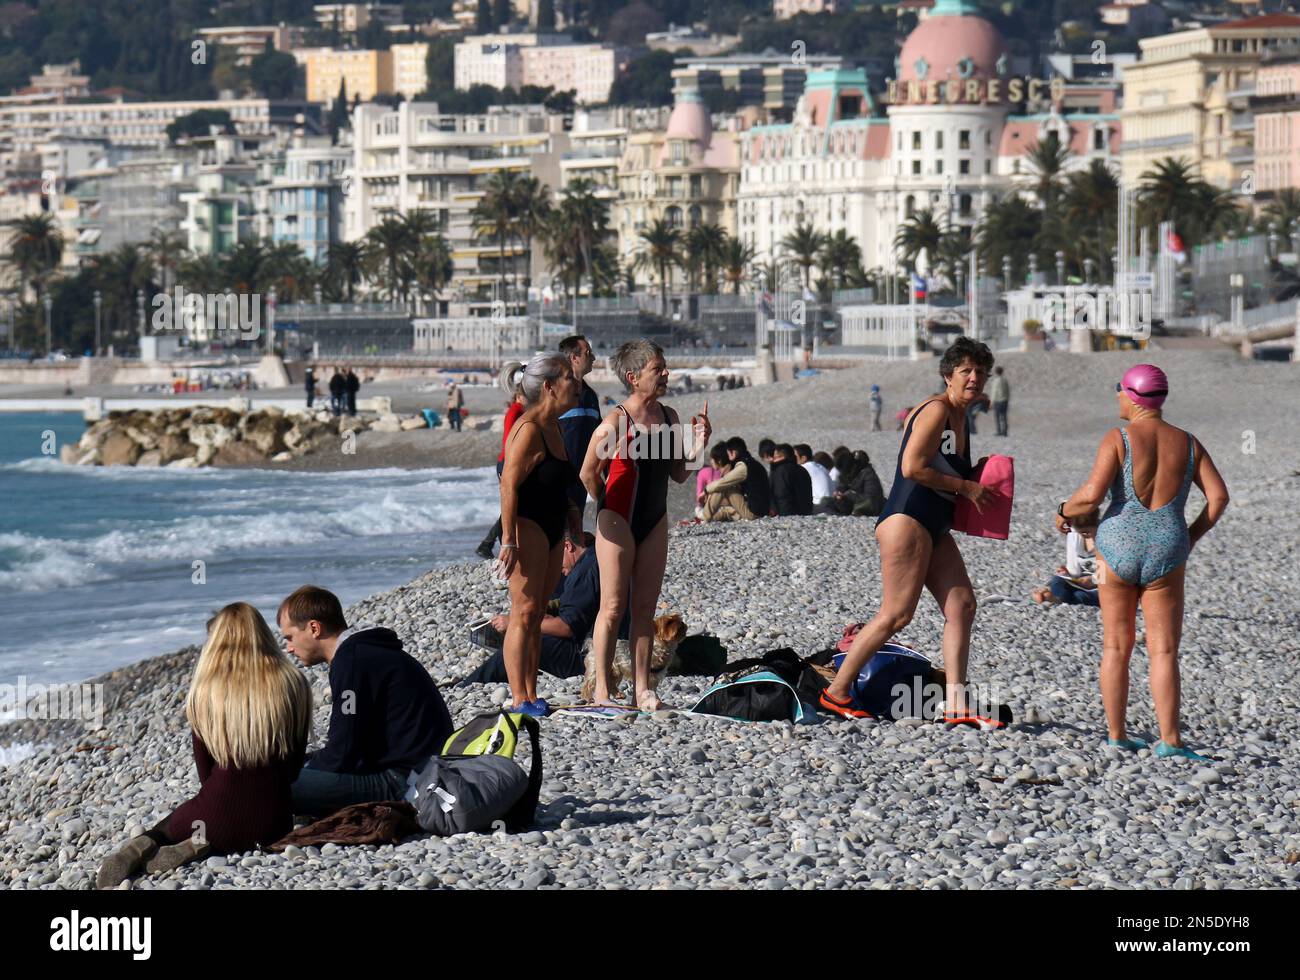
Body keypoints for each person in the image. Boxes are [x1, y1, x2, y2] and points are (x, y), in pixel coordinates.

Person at [820, 337, 1002, 728]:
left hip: (933, 523)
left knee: (962, 605)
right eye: (966, 371)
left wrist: (977, 474)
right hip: (907, 519)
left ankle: (956, 702)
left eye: (981, 372)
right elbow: (911, 467)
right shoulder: (936, 410)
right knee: (897, 614)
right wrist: (968, 487)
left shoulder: (960, 418)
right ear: (948, 375)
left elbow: (944, 469)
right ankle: (836, 692)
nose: (975, 378)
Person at [1058, 364, 1228, 758]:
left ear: (1132, 395)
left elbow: (1091, 496)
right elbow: (1218, 498)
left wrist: (1063, 509)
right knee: (1164, 650)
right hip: (1168, 546)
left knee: (1116, 645)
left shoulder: (1118, 437)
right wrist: (1189, 536)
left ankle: (1116, 734)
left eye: (1120, 390)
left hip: (1115, 546)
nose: (1117, 395)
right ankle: (1171, 741)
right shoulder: (1187, 442)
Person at [96, 603, 312, 887]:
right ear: (261, 634)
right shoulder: (292, 682)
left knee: (171, 824)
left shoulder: (206, 691)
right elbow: (293, 768)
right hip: (272, 824)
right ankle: (199, 845)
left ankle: (145, 845)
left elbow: (205, 772)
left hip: (213, 817)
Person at [580, 340, 711, 709]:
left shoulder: (669, 417)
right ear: (634, 377)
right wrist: (605, 505)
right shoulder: (616, 420)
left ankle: (643, 690)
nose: (666, 373)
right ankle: (603, 691)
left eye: (664, 366)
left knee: (644, 609)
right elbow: (588, 472)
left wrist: (700, 443)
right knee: (612, 606)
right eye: (658, 368)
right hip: (617, 519)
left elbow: (680, 475)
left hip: (654, 519)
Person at [279, 585, 453, 816]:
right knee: (291, 770)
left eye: (290, 637)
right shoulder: (365, 652)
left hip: (404, 782)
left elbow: (344, 750)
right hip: (423, 768)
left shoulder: (351, 662)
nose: (289, 648)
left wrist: (305, 771)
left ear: (314, 628)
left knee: (269, 786)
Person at [497, 353, 583, 716]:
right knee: (524, 611)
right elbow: (507, 485)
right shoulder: (528, 428)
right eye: (568, 377)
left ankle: (532, 693)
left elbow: (560, 484)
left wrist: (573, 517)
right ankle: (518, 698)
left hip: (551, 526)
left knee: (536, 612)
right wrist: (508, 540)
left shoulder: (555, 427)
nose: (575, 382)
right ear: (549, 386)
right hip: (526, 525)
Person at [462, 533, 628, 682]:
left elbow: (565, 628)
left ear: (568, 546)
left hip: (587, 657)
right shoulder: (596, 557)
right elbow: (580, 610)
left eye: (554, 556)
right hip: (610, 647)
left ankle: (470, 684)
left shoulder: (583, 573)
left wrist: (515, 622)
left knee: (520, 643)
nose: (554, 565)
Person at [475, 363, 527, 559]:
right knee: (513, 503)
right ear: (519, 395)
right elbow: (510, 441)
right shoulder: (516, 411)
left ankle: (490, 543)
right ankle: (488, 543)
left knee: (516, 503)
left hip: (509, 461)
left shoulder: (519, 410)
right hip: (507, 462)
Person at [558, 335, 601, 518]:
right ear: (574, 358)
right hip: (557, 481)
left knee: (573, 538)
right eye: (588, 353)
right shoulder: (556, 393)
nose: (593, 358)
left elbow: (599, 437)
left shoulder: (590, 395)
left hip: (581, 480)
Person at [1032, 530, 1100, 607]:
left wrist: (1091, 579)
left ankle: (1056, 594)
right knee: (1072, 573)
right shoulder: (1075, 534)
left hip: (1101, 581)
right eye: (1043, 597)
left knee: (1071, 575)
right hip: (1098, 579)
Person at [699, 449, 757, 522]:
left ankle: (704, 517)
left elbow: (721, 488)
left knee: (721, 488)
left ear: (719, 460)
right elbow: (733, 498)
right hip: (737, 511)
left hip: (749, 512)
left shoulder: (732, 471)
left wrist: (706, 492)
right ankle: (701, 519)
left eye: (712, 459)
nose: (710, 462)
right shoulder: (728, 471)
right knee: (722, 512)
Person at [724, 436, 771, 520]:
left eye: (728, 454)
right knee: (725, 511)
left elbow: (722, 483)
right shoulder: (754, 463)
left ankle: (705, 515)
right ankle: (705, 516)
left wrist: (706, 490)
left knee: (726, 487)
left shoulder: (743, 465)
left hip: (754, 514)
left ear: (733, 453)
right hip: (764, 510)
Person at [834, 449, 886, 517]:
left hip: (871, 505)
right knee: (826, 501)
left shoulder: (867, 473)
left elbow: (872, 499)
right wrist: (839, 493)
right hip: (852, 503)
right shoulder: (846, 474)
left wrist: (849, 495)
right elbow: (843, 486)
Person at [770, 443, 814, 516]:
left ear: (782, 457)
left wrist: (782, 514)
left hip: (788, 513)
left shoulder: (780, 471)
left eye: (775, 457)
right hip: (807, 511)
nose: (773, 460)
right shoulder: (802, 469)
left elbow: (781, 495)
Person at [795, 444, 834, 513]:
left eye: (794, 457)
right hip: (831, 504)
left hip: (819, 505)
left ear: (803, 458)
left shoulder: (803, 468)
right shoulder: (819, 466)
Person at [695, 443, 728, 519]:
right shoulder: (730, 470)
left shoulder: (702, 473)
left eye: (711, 459)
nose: (711, 461)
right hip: (730, 506)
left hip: (716, 507)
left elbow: (699, 497)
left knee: (699, 511)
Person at [989, 366, 1010, 437]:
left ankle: (999, 431)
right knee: (1004, 416)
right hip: (1005, 401)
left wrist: (992, 401)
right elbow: (1008, 391)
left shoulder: (995, 381)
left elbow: (994, 392)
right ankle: (1005, 431)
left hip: (998, 401)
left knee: (997, 417)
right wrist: (1007, 399)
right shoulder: (1005, 380)